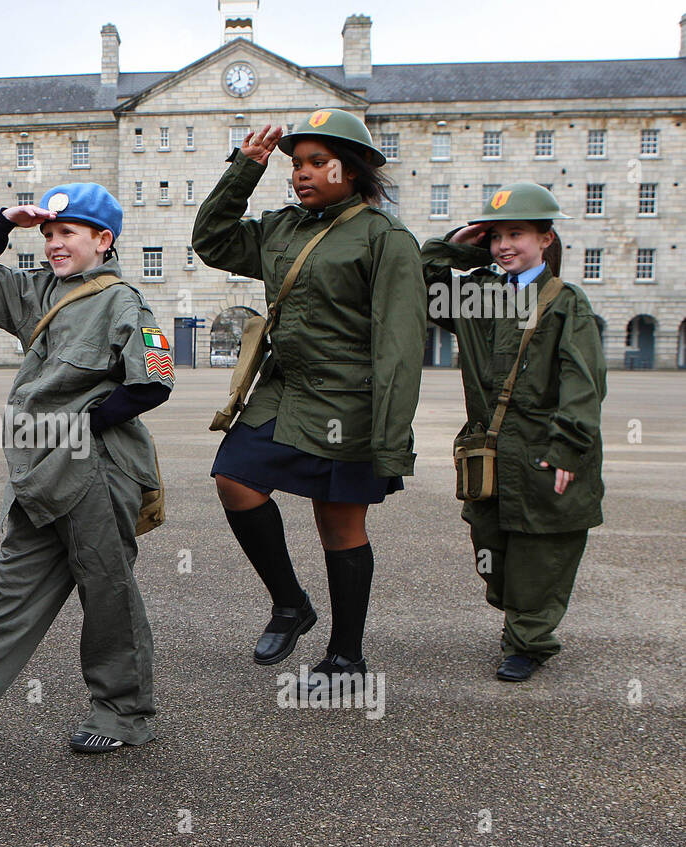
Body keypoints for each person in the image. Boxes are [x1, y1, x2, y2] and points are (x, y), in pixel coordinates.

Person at [0, 183, 172, 753]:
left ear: (103, 240)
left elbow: (156, 375)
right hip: (40, 468)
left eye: (69, 233)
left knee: (107, 591)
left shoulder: (124, 299)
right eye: (50, 235)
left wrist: (86, 422)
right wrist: (7, 220)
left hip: (98, 470)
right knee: (11, 587)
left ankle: (122, 713)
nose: (55, 245)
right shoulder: (40, 292)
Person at [192, 108, 426, 698]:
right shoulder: (281, 227)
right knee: (234, 479)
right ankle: (291, 604)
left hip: (349, 400)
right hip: (283, 387)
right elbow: (213, 241)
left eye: (317, 162)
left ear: (353, 169)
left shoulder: (385, 238)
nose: (301, 173)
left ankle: (347, 655)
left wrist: (391, 440)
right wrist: (246, 168)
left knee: (338, 523)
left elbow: (399, 346)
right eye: (296, 163)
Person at [421, 183, 606, 681]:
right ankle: (517, 619)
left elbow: (583, 382)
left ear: (546, 239)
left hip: (545, 450)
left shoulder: (566, 303)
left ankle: (529, 641)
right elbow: (419, 278)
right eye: (497, 236)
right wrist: (461, 244)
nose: (505, 245)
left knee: (542, 551)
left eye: (517, 234)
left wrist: (568, 448)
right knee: (492, 552)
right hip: (491, 451)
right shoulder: (479, 295)